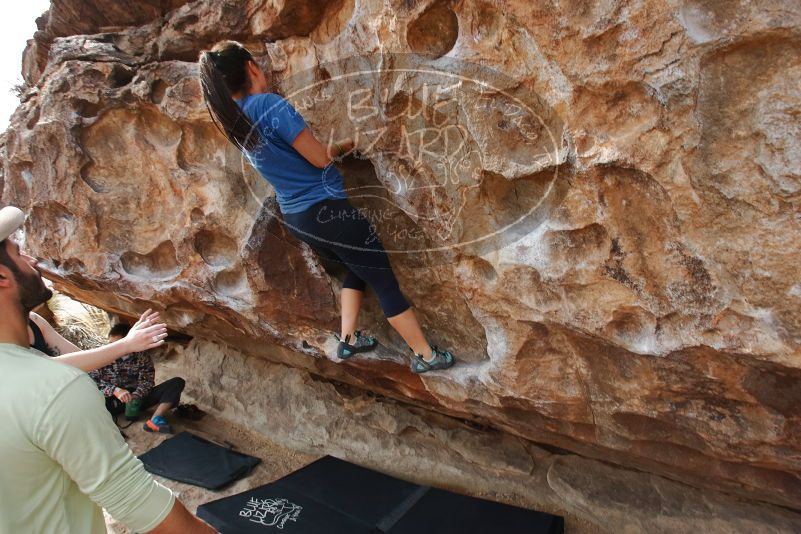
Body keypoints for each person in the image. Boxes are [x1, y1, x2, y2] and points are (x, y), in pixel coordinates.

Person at [199, 41, 455, 374]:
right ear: (251, 68)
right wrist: (348, 143)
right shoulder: (269, 106)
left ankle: (349, 338)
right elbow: (319, 158)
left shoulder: (236, 123)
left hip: (299, 218)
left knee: (355, 268)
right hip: (328, 210)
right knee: (384, 281)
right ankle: (425, 355)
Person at [0, 205, 215, 533]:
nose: (32, 261)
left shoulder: (39, 367)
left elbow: (70, 366)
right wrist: (125, 350)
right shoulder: (54, 391)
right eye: (18, 254)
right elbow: (141, 506)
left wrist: (126, 351)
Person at [91, 323, 186, 434]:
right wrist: (115, 391)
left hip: (136, 400)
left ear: (128, 342)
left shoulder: (142, 356)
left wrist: (136, 395)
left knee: (176, 383)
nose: (113, 347)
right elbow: (92, 381)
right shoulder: (103, 355)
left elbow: (147, 381)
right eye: (111, 343)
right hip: (111, 400)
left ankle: (155, 420)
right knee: (89, 401)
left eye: (117, 344)